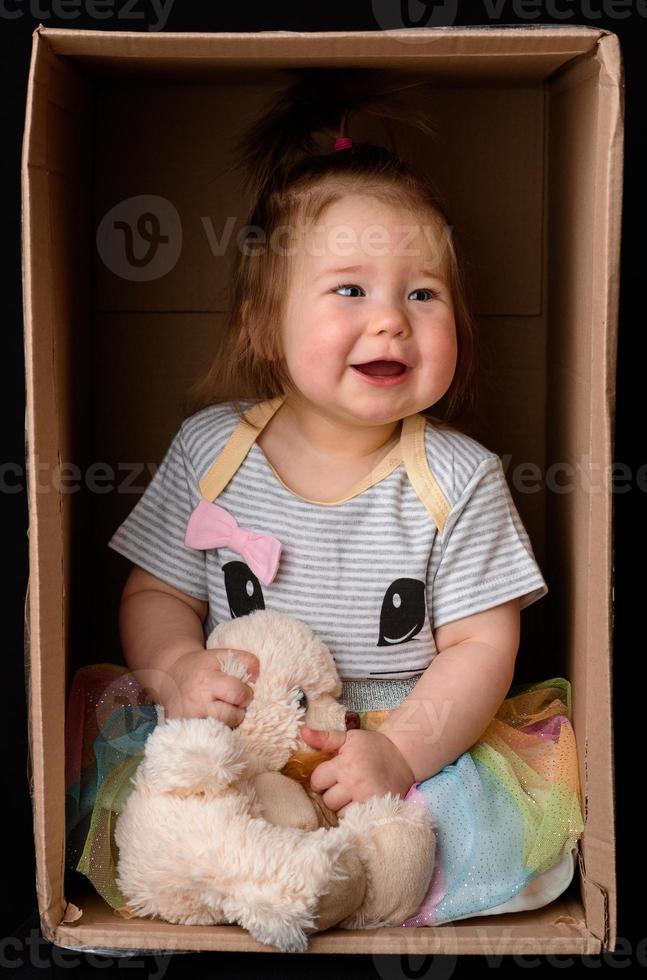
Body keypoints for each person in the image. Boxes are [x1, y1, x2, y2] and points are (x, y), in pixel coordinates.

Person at [107, 69, 549, 822]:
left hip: (396, 745)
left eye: (422, 293)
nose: (390, 321)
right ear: (261, 323)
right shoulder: (212, 448)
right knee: (175, 817)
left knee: (423, 846)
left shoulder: (458, 477)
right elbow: (158, 593)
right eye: (350, 290)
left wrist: (403, 751)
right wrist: (180, 669)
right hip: (242, 730)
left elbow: (481, 647)